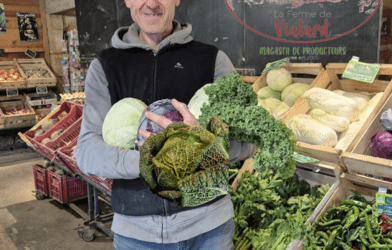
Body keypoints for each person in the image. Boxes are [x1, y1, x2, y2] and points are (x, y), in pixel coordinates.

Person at [74, 0, 257, 249]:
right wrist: (151, 160)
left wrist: (201, 147)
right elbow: (86, 152)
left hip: (209, 229)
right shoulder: (105, 66)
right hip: (137, 234)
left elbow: (249, 141)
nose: (151, 3)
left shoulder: (213, 60)